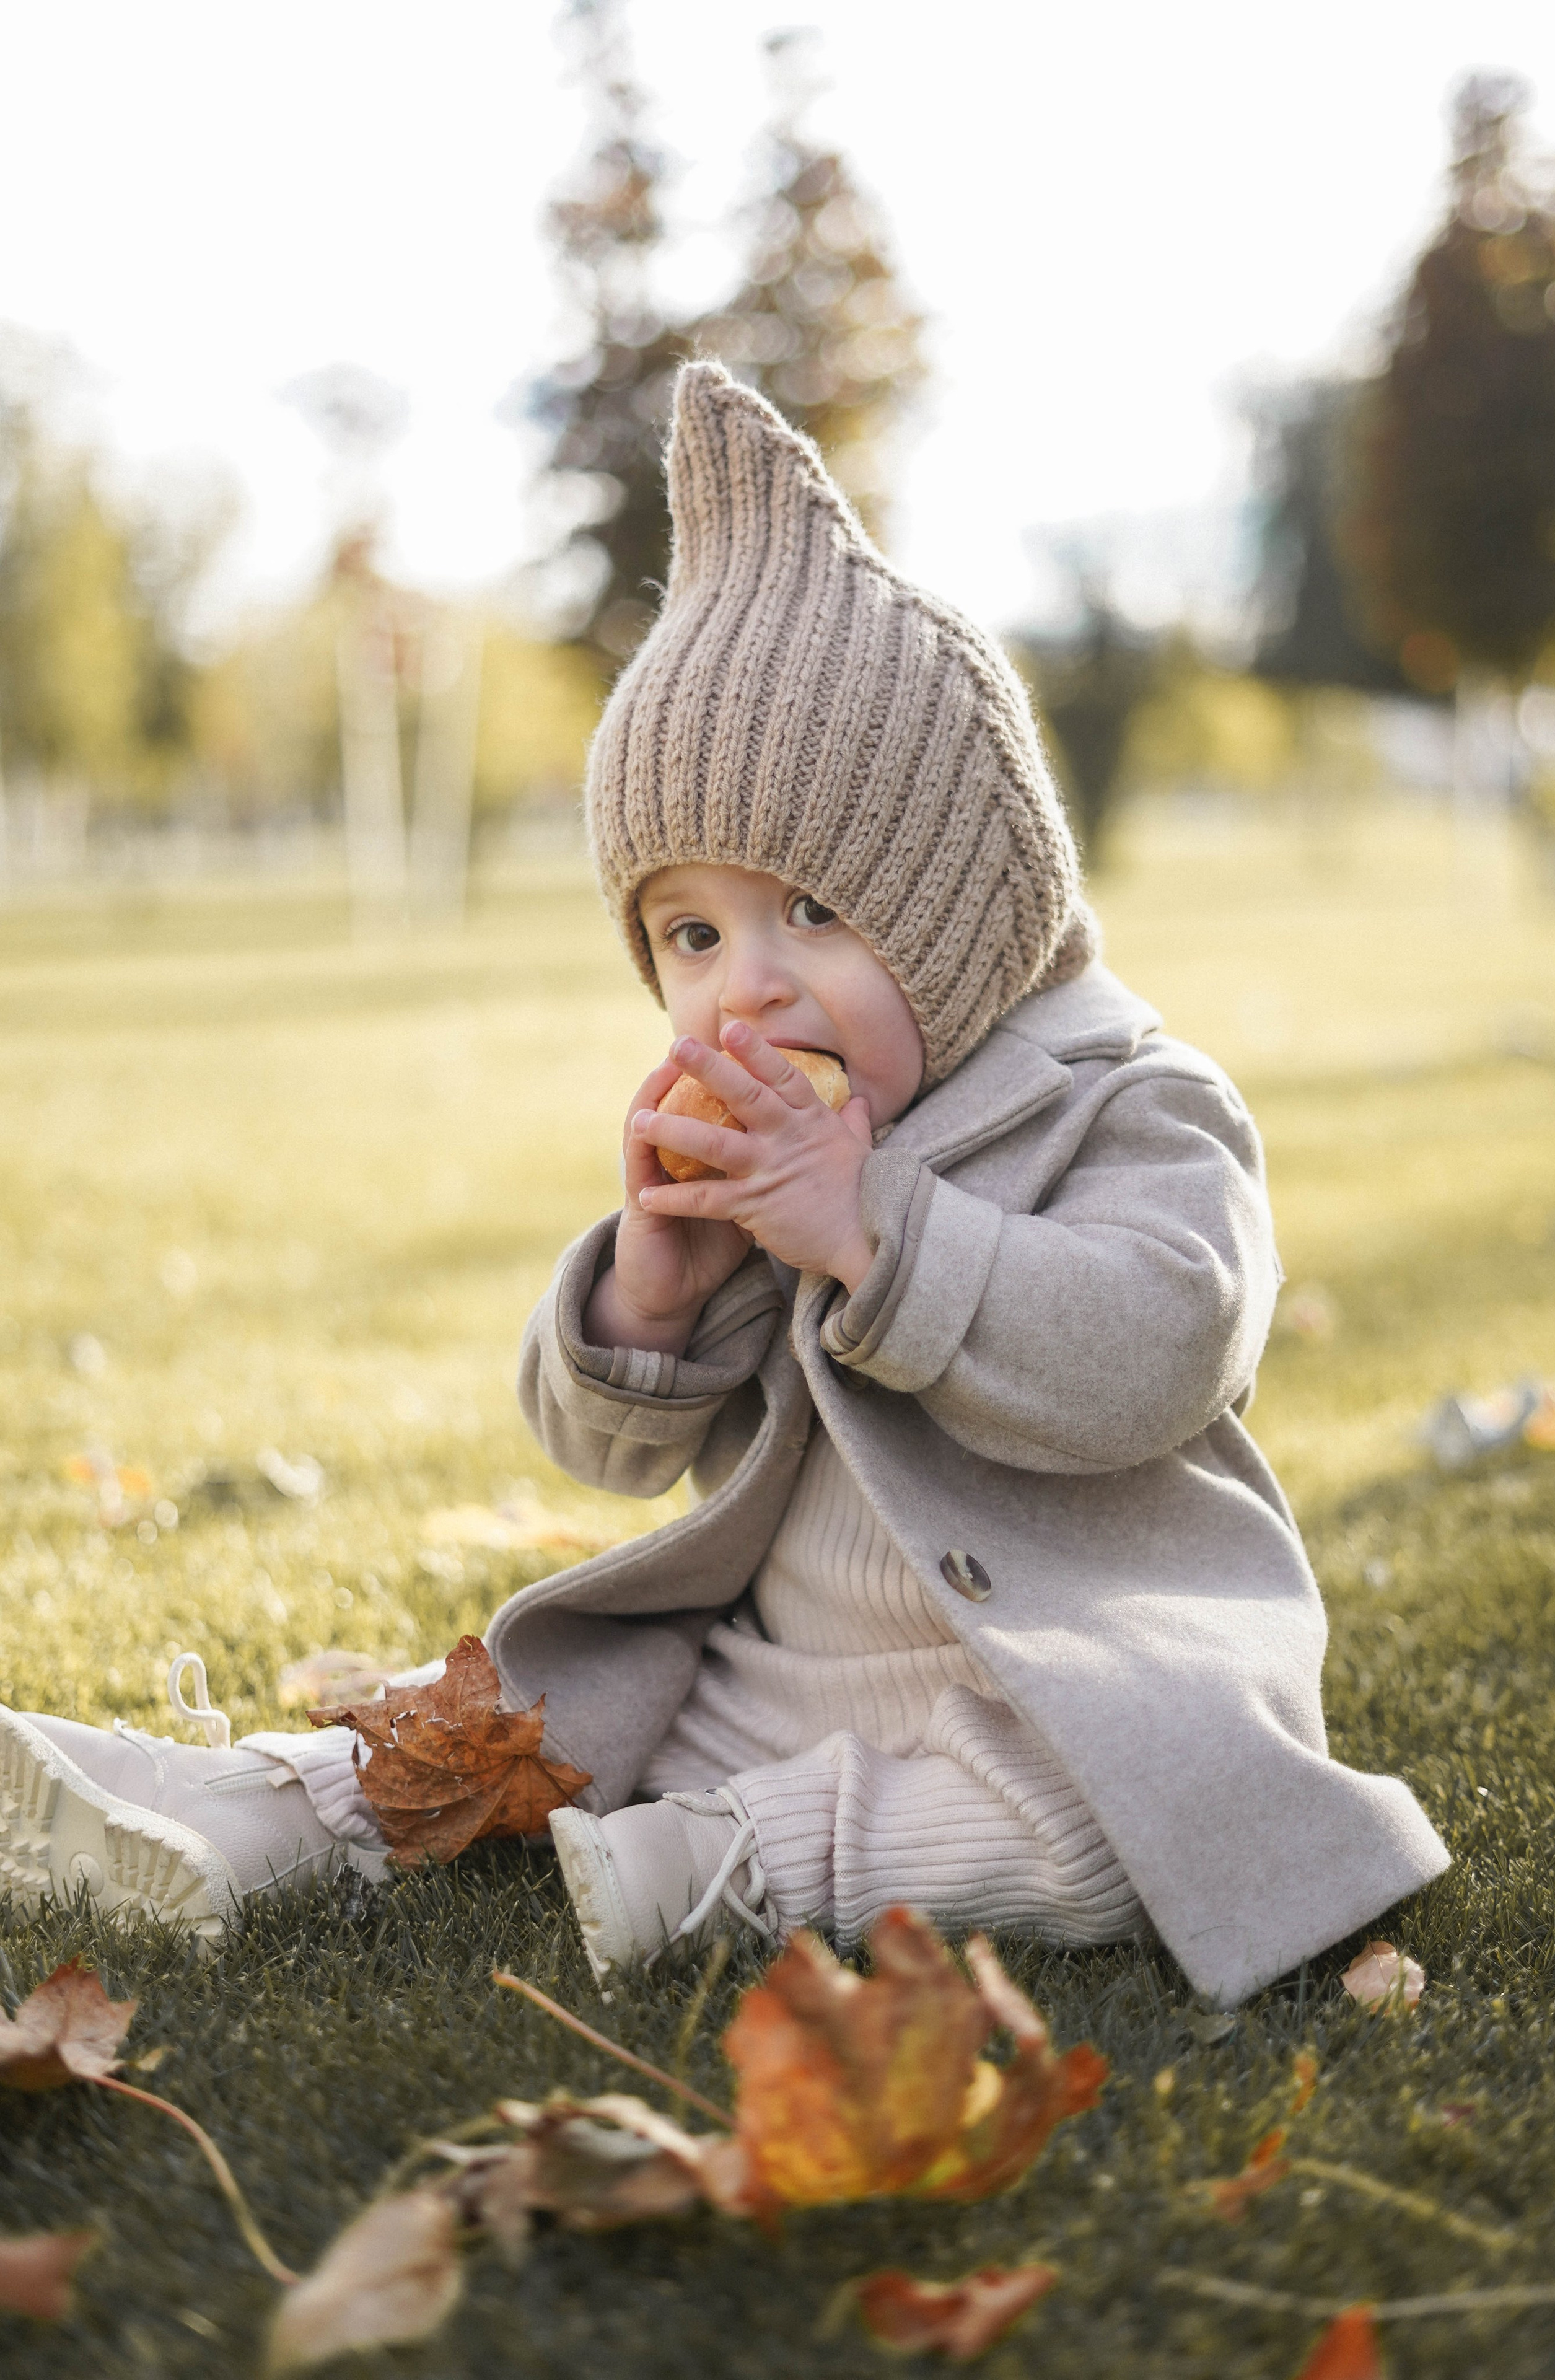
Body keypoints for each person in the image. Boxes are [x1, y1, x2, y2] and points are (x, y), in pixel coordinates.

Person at [0, 366, 1448, 2006]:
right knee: (535, 1722)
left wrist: (874, 1235)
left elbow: (1161, 1346)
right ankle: (246, 1802)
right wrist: (650, 1293)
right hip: (770, 1679)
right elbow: (607, 1451)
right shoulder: (763, 1142)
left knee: (1123, 1829)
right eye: (691, 934)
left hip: (1067, 1682)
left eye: (812, 910)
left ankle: (740, 1862)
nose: (740, 989)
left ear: (966, 903)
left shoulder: (1129, 1100)